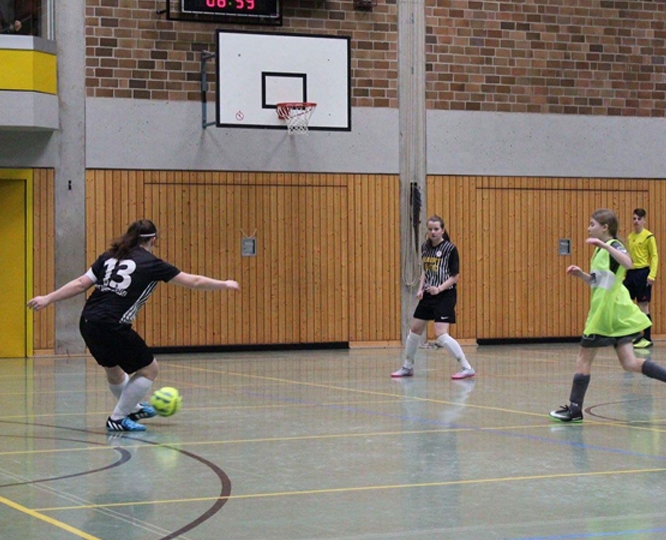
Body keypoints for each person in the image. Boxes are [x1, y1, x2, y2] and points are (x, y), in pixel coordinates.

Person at [27, 219, 240, 432]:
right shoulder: (152, 263)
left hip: (88, 321)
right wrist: (224, 284)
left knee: (114, 370)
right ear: (153, 240)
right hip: (113, 324)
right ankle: (118, 418)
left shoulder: (109, 257)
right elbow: (194, 282)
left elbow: (80, 283)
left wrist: (47, 298)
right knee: (149, 369)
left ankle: (133, 409)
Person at [550, 209, 666, 423]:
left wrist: (605, 246)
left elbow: (628, 263)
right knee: (629, 363)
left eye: (592, 224)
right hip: (617, 315)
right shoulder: (600, 251)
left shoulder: (613, 245)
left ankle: (574, 409)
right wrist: (581, 275)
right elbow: (598, 282)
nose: (588, 228)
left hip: (606, 314)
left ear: (605, 228)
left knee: (583, 359)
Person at [391, 215, 475, 380]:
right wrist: (421, 288)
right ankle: (407, 366)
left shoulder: (450, 249)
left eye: (436, 229)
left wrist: (439, 289)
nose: (433, 232)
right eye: (430, 229)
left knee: (441, 334)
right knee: (415, 329)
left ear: (442, 230)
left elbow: (455, 276)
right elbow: (425, 270)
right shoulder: (425, 247)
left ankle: (467, 367)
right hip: (429, 294)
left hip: (445, 294)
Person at [624, 208, 658, 349]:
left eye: (639, 219)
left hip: (643, 273)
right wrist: (625, 273)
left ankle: (647, 337)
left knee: (643, 305)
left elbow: (654, 256)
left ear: (644, 220)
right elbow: (628, 256)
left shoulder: (649, 237)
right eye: (634, 219)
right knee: (625, 301)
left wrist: (652, 275)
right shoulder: (630, 237)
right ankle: (635, 333)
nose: (636, 221)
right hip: (631, 273)